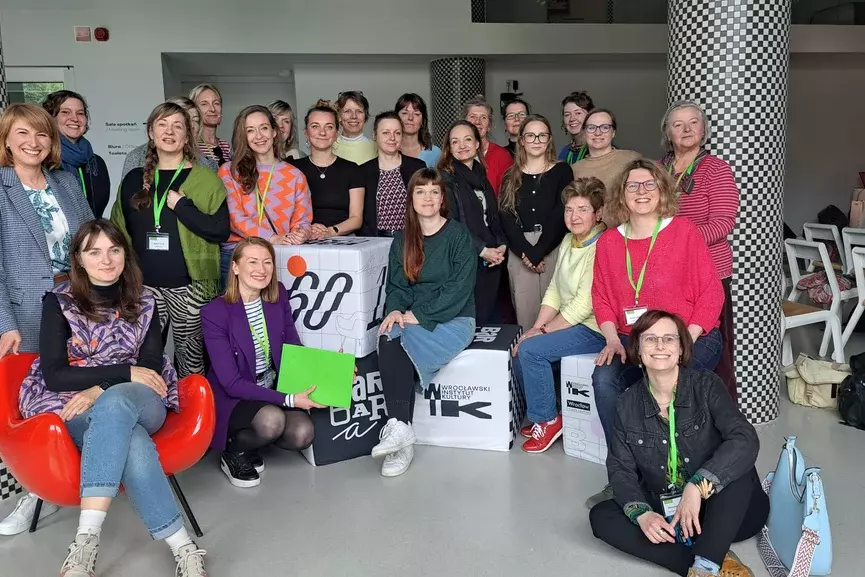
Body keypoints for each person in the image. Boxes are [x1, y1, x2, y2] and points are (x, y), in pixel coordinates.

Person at [17, 219, 208, 577]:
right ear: (78, 258)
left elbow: (150, 366)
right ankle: (183, 546)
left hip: (142, 397)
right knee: (131, 437)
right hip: (73, 403)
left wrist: (101, 388)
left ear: (125, 254)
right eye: (94, 252)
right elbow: (55, 375)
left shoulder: (146, 299)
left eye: (114, 250)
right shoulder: (59, 302)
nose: (106, 260)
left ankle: (85, 540)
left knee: (116, 402)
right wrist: (121, 374)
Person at [586, 159, 724, 509]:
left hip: (691, 334)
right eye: (633, 185)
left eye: (649, 184)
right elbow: (601, 298)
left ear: (662, 190)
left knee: (673, 386)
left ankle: (683, 477)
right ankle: (624, 475)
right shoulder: (608, 243)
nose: (642, 191)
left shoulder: (683, 232)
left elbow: (712, 293)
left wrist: (684, 339)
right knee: (604, 379)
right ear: (621, 195)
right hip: (633, 339)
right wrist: (612, 339)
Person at [589, 310, 765, 577]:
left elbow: (745, 438)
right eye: (650, 339)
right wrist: (643, 514)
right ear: (638, 350)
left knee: (737, 467)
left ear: (681, 349)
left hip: (727, 512)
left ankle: (706, 564)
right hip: (673, 513)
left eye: (669, 339)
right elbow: (620, 468)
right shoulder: (627, 404)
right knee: (602, 516)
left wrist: (698, 485)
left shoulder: (706, 385)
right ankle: (704, 561)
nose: (660, 346)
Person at [0, 103, 93, 536]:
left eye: (41, 134)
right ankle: (34, 491)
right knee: (30, 400)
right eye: (22, 133)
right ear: (6, 140)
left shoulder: (65, 182)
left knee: (77, 389)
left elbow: (91, 238)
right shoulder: (1, 187)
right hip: (25, 310)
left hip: (78, 304)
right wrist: (5, 323)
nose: (33, 142)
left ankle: (81, 474)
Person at [111, 101, 230, 378]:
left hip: (191, 288)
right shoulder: (133, 179)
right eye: (162, 125)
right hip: (143, 286)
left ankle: (192, 404)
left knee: (191, 361)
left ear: (188, 136)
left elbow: (220, 230)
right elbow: (118, 229)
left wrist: (183, 207)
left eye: (178, 126)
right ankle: (153, 404)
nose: (169, 131)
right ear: (151, 133)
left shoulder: (205, 179)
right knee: (143, 356)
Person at [374, 168, 477, 477]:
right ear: (411, 198)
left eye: (434, 191)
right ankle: (401, 433)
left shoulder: (458, 235)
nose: (428, 198)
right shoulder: (402, 239)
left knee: (399, 342)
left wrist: (419, 315)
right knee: (388, 332)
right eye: (420, 191)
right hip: (413, 318)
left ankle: (399, 435)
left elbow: (459, 288)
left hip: (454, 319)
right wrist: (395, 310)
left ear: (442, 198)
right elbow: (397, 286)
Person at [202, 237, 321, 488]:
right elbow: (232, 383)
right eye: (253, 262)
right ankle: (234, 450)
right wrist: (290, 399)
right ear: (235, 267)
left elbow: (293, 348)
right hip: (234, 396)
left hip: (269, 387)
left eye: (267, 262)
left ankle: (253, 443)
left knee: (303, 433)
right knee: (272, 422)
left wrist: (331, 371)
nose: (262, 269)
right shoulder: (214, 313)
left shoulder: (278, 295)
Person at [512, 177, 607, 453]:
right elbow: (554, 289)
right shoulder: (568, 240)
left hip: (594, 328)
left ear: (598, 213)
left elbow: (584, 305)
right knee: (521, 347)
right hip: (571, 322)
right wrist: (535, 328)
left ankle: (548, 420)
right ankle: (551, 414)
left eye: (583, 210)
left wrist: (541, 333)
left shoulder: (602, 245)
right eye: (569, 209)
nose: (574, 216)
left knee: (531, 350)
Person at [660, 100, 739, 403]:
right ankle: (681, 410)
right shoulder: (659, 170)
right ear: (668, 133)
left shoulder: (716, 170)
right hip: (667, 274)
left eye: (693, 122)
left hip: (709, 273)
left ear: (704, 130)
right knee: (671, 343)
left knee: (714, 348)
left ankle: (724, 415)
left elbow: (722, 223)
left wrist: (678, 242)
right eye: (678, 124)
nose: (686, 129)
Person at [218, 105, 311, 287]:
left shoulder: (295, 175)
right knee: (236, 307)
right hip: (238, 256)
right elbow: (234, 218)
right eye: (250, 130)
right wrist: (273, 238)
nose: (259, 136)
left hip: (278, 255)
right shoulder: (229, 171)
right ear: (243, 136)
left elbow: (302, 219)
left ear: (274, 132)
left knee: (277, 305)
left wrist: (301, 233)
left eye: (264, 128)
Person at [499, 114, 573, 329]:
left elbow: (561, 212)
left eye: (542, 135)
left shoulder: (562, 171)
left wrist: (539, 251)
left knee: (557, 312)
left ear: (549, 139)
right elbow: (506, 215)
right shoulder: (509, 175)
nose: (537, 140)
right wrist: (527, 252)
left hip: (554, 246)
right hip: (520, 251)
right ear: (522, 140)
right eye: (531, 136)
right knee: (526, 311)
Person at [438, 120, 506, 324]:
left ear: (477, 143)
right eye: (455, 141)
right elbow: (451, 223)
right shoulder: (446, 179)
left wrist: (501, 244)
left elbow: (492, 215)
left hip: (491, 256)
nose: (462, 145)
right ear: (449, 148)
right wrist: (482, 249)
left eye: (467, 139)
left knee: (490, 318)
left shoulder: (480, 174)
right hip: (466, 258)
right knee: (472, 319)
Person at [293, 100, 364, 239]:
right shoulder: (294, 169)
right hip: (302, 239)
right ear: (306, 132)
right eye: (315, 126)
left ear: (336, 133)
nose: (322, 132)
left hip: (343, 239)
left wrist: (330, 231)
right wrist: (307, 230)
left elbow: (356, 219)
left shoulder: (352, 169)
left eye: (329, 127)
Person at [41, 90, 110, 217]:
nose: (75, 118)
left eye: (80, 113)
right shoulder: (43, 160)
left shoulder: (96, 163)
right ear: (50, 118)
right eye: (65, 112)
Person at [360, 111, 425, 237]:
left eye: (397, 133)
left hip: (410, 239)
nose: (392, 138)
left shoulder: (417, 167)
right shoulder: (363, 171)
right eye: (386, 133)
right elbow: (360, 216)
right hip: (375, 240)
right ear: (374, 135)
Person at [571, 108, 640, 225]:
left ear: (613, 132)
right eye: (591, 127)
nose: (598, 133)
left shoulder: (632, 159)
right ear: (584, 132)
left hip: (626, 233)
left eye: (605, 127)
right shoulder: (574, 169)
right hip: (590, 235)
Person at [123, 97, 218, 180]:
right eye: (186, 120)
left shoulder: (208, 164)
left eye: (195, 120)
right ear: (151, 131)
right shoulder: (136, 157)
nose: (191, 125)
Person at [463, 95, 513, 195]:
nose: (477, 122)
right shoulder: (455, 154)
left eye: (483, 117)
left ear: (489, 126)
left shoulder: (502, 155)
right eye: (472, 116)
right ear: (463, 123)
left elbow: (507, 195)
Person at [395, 93, 441, 168]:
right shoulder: (390, 150)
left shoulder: (435, 153)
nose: (410, 118)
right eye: (405, 113)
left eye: (416, 114)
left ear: (422, 120)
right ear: (396, 118)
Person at [190, 83, 231, 167]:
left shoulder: (225, 146)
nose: (212, 109)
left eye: (216, 103)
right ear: (194, 110)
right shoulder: (192, 146)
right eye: (204, 104)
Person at [333, 91, 377, 165]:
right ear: (339, 116)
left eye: (359, 111)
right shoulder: (329, 146)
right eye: (347, 111)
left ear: (365, 116)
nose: (354, 116)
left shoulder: (376, 148)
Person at [558, 91, 594, 165]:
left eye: (578, 113)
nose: (572, 119)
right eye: (567, 115)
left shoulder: (598, 149)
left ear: (590, 116)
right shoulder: (564, 152)